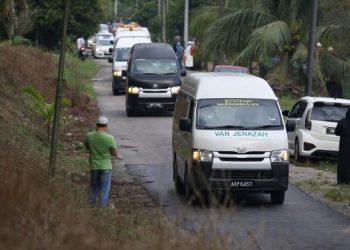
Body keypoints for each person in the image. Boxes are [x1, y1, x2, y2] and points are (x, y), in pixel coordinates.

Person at [85, 116, 117, 207]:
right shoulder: (110, 138)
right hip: (106, 166)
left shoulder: (89, 136)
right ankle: (102, 209)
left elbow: (87, 147)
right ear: (106, 126)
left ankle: (91, 206)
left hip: (94, 166)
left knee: (94, 187)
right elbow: (115, 153)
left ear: (97, 125)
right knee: (104, 189)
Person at [335, 108, 350, 184]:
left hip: (344, 147)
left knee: (342, 164)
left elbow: (336, 132)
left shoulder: (342, 122)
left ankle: (341, 180)